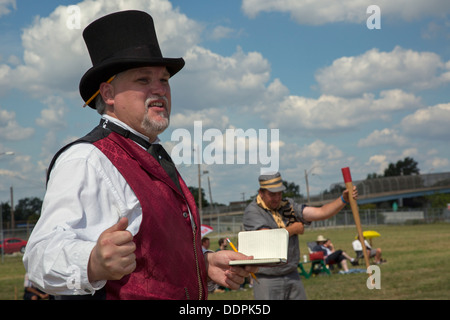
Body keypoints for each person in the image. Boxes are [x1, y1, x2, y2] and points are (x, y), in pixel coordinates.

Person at [23, 10, 257, 300]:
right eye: (144, 80)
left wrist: (204, 262)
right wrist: (92, 261)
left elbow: (156, 254)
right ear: (108, 93)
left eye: (164, 80)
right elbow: (38, 256)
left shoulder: (151, 153)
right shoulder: (86, 159)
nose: (160, 89)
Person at [243, 172, 358, 300]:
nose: (277, 198)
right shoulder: (253, 211)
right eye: (272, 194)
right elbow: (268, 238)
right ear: (261, 192)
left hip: (292, 273)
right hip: (267, 278)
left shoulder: (287, 206)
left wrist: (343, 200)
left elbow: (321, 212)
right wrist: (293, 229)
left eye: (279, 193)